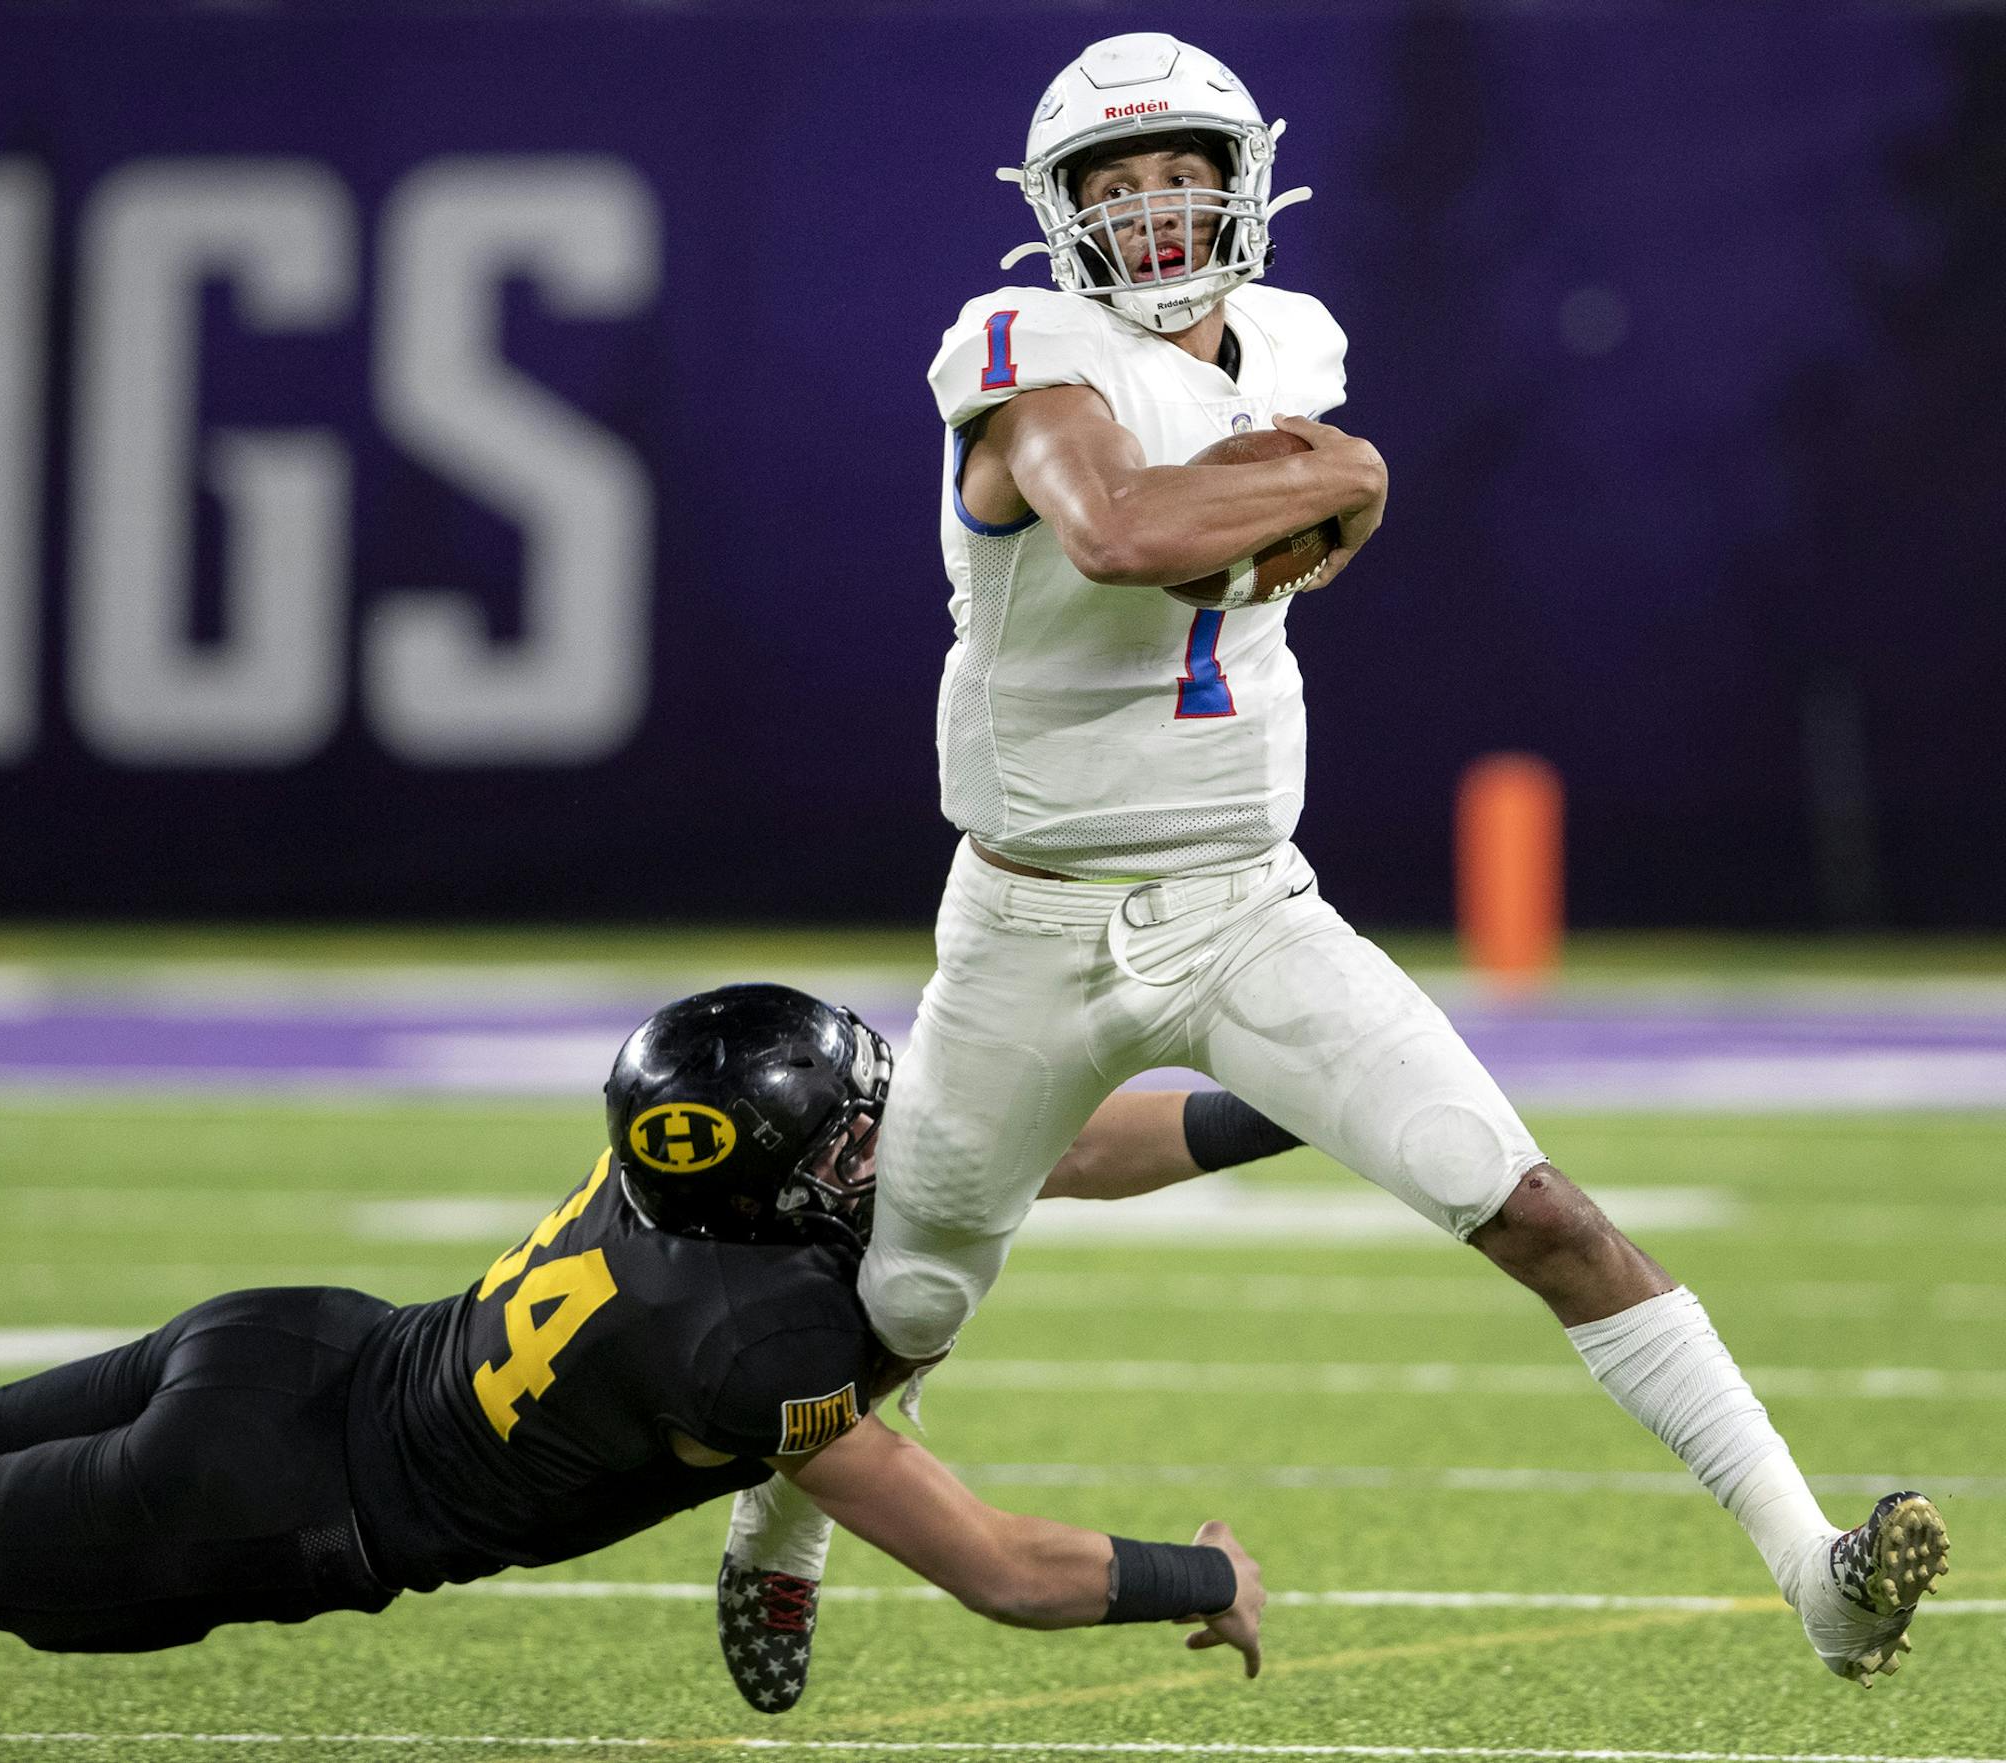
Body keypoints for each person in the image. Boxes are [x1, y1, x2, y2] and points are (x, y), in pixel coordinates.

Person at [717, 28, 1950, 1709]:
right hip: (1029, 920)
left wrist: (1310, 496)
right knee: (910, 1300)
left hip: (1247, 904)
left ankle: (1818, 1577)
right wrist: (1337, 482)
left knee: (1540, 1213)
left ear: (1244, 186)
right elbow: (1127, 535)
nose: (1154, 210)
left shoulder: (1294, 339)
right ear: (1058, 209)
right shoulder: (1023, 351)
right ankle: (781, 1529)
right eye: (1116, 182)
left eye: (1182, 174)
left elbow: (1267, 526)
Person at [0, 985, 1266, 1695]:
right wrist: (1202, 1574)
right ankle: (775, 1545)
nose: (881, 1142)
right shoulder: (746, 1343)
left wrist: (1300, 1104)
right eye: (851, 1136)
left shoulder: (693, 1182)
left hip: (276, 1348)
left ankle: (772, 1544)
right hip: (260, 1496)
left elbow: (1061, 1149)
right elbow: (998, 1568)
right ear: (773, 1182)